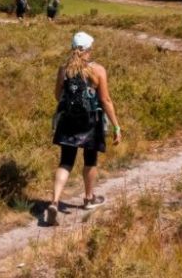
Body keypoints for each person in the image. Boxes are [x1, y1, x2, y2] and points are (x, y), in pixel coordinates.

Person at [45, 32, 121, 226]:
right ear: (87, 50)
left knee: (66, 162)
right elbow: (105, 100)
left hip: (69, 121)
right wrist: (116, 126)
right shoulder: (98, 70)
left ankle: (54, 201)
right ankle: (89, 198)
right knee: (90, 160)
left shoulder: (64, 70)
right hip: (91, 122)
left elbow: (57, 96)